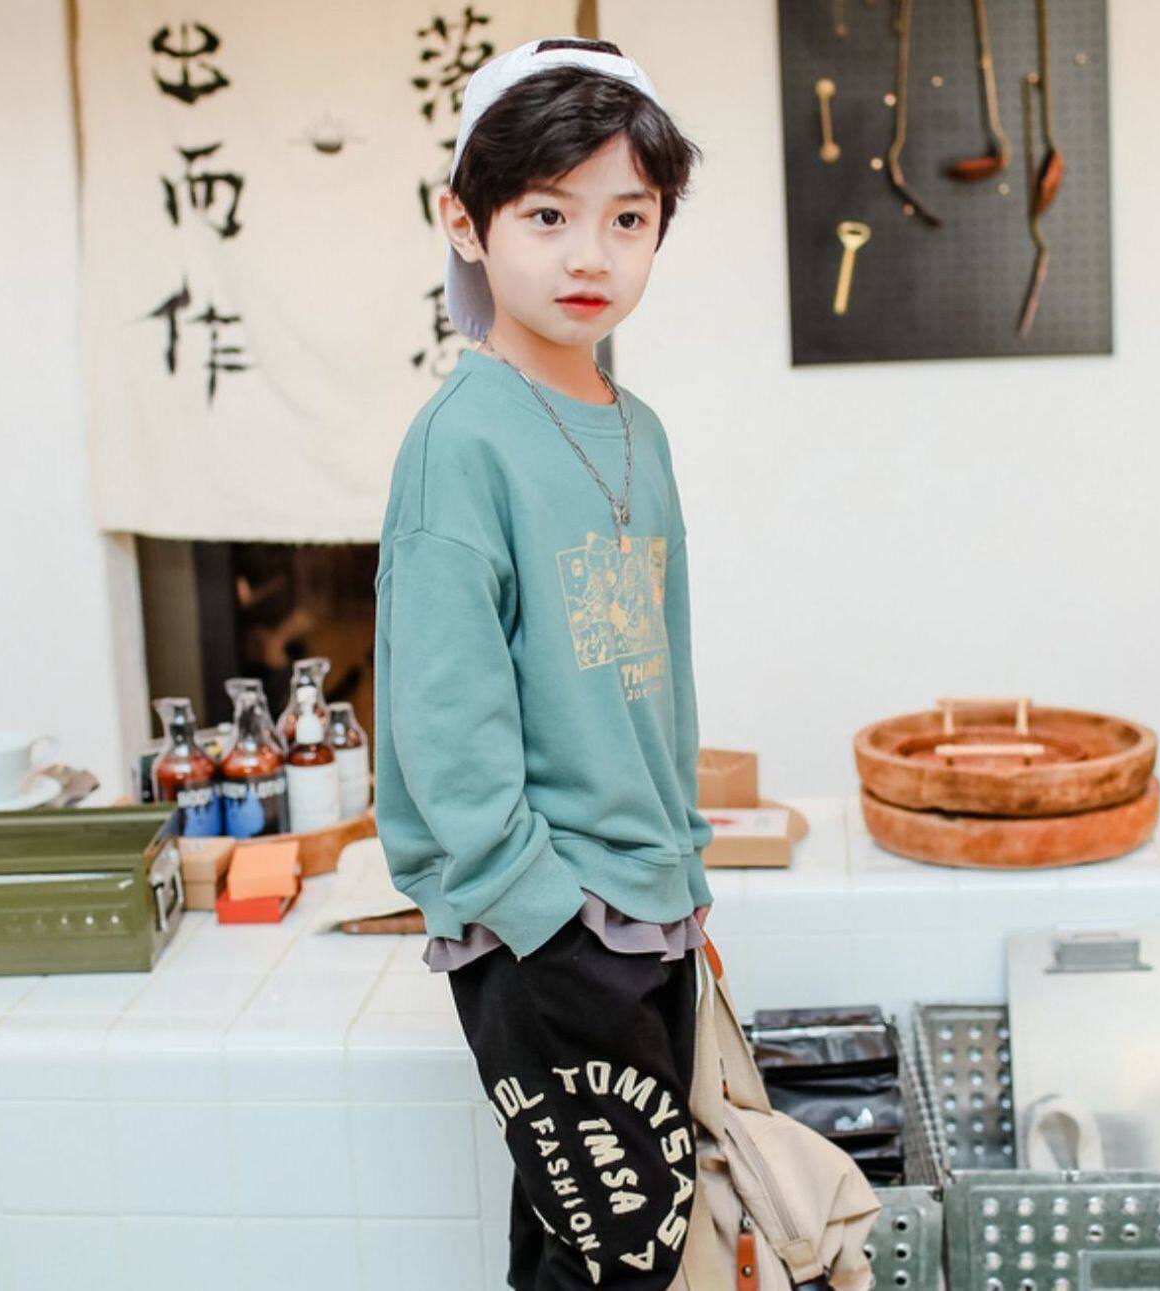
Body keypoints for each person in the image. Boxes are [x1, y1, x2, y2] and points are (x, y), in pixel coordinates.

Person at [374, 35, 712, 1290]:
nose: (590, 256)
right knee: (628, 1256)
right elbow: (443, 722)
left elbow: (662, 680)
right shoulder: (458, 443)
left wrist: (685, 886)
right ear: (465, 223)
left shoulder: (642, 430)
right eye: (548, 214)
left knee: (586, 1251)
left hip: (648, 906)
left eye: (629, 218)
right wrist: (546, 922)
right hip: (548, 927)